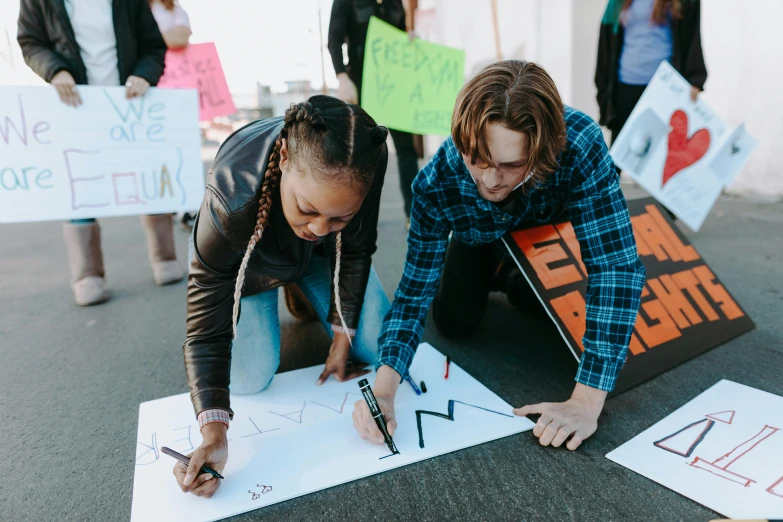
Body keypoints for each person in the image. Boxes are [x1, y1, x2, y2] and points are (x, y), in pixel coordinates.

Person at [351, 60, 646, 452]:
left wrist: (586, 400)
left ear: (543, 150)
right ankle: (501, 269)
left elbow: (614, 267)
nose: (491, 180)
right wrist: (385, 387)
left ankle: (519, 279)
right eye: (478, 159)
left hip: (549, 226)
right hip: (479, 236)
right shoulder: (436, 184)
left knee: (538, 303)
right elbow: (412, 294)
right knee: (454, 321)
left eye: (511, 165)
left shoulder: (580, 143)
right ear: (461, 142)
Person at [173, 96, 390, 498]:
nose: (321, 227)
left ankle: (301, 284)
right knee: (248, 379)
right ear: (285, 157)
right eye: (307, 209)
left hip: (317, 260)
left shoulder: (368, 160)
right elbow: (206, 328)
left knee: (376, 342)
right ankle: (286, 284)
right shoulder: (230, 198)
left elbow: (356, 249)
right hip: (248, 260)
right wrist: (214, 432)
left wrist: (342, 335)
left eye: (340, 216)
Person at [17, 0, 184, 306]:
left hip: (131, 105)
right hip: (74, 105)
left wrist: (144, 74)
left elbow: (152, 46)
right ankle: (88, 276)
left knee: (146, 178)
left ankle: (165, 259)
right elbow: (30, 42)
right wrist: (56, 71)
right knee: (81, 183)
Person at [328, 0, 419, 229]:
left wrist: (409, 40)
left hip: (394, 86)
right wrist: (342, 77)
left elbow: (399, 36)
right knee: (362, 150)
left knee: (407, 149)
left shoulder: (394, 3)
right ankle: (354, 217)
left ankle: (413, 214)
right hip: (362, 86)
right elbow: (334, 40)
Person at [595, 0, 706, 146]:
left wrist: (695, 79)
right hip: (626, 84)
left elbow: (692, 36)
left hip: (664, 87)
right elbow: (606, 41)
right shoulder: (617, 2)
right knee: (620, 152)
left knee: (660, 153)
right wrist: (602, 88)